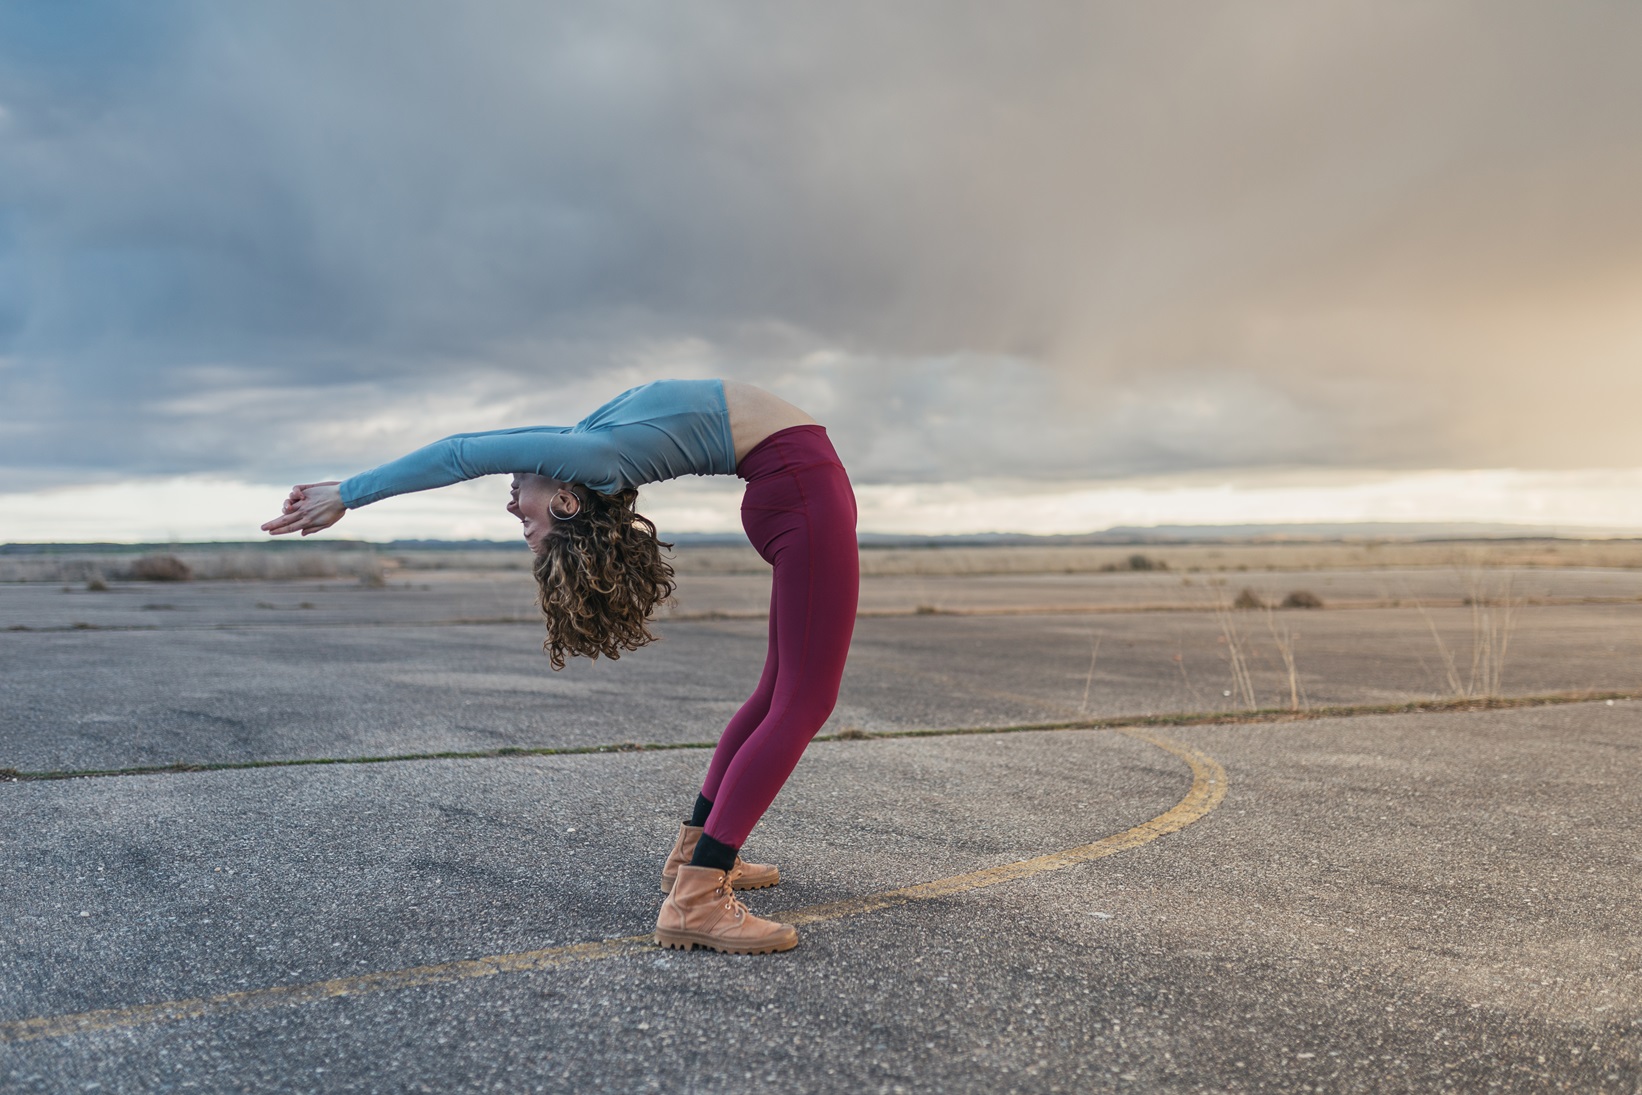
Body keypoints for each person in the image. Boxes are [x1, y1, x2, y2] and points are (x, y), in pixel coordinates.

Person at [262, 379, 859, 955]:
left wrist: (349, 491)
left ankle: (696, 853)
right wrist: (347, 494)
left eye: (522, 520)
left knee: (778, 692)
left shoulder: (583, 444)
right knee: (804, 700)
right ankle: (698, 899)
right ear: (567, 503)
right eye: (529, 523)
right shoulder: (592, 457)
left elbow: (471, 449)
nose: (512, 506)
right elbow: (459, 454)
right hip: (804, 491)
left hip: (793, 487)